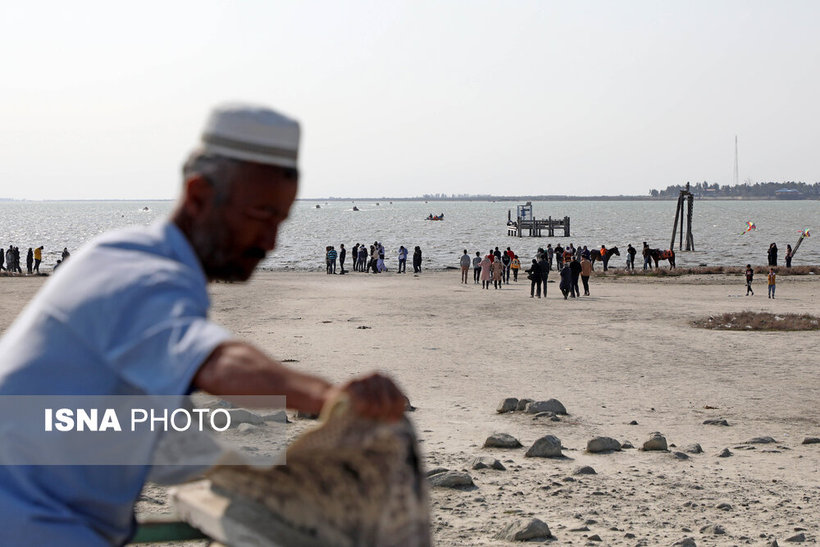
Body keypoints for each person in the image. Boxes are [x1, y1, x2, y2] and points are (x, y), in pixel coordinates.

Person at [0, 103, 406, 544]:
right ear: (197, 197)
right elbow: (217, 361)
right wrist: (330, 397)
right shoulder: (140, 274)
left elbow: (130, 430)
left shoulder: (130, 257)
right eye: (260, 217)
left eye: (281, 221)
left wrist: (254, 471)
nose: (271, 242)